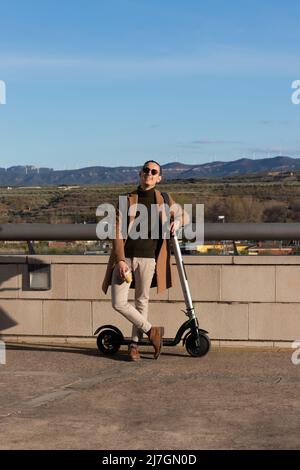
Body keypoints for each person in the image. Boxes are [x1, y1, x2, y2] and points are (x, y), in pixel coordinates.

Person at [102, 160, 188, 361]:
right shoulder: (126, 199)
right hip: (125, 259)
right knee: (118, 302)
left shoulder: (164, 199)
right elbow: (117, 231)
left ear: (159, 177)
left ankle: (134, 345)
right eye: (146, 170)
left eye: (154, 171)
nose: (149, 173)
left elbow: (186, 217)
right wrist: (121, 261)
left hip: (149, 259)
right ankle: (152, 331)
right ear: (140, 174)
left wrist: (177, 222)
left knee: (142, 300)